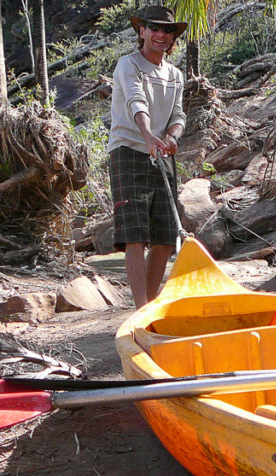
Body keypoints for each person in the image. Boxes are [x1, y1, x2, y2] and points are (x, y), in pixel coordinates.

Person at [107, 5, 187, 308]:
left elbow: (179, 113)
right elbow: (135, 102)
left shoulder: (175, 75)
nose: (161, 34)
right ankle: (140, 308)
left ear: (172, 38)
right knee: (135, 235)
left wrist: (172, 137)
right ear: (142, 32)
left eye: (167, 30)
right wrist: (148, 134)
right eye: (154, 28)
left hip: (162, 154)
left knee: (166, 236)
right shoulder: (128, 65)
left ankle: (151, 307)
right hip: (128, 151)